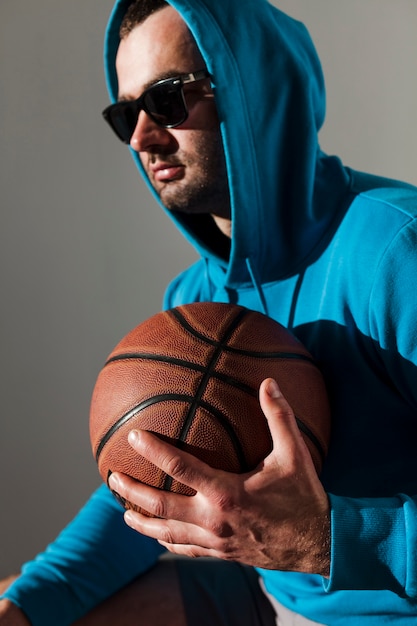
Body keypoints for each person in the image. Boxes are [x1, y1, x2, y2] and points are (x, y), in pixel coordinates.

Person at [2, 0, 417, 624]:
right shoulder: (193, 301)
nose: (141, 135)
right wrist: (28, 604)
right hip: (272, 598)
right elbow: (142, 495)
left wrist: (329, 537)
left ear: (253, 90)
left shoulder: (394, 252)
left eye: (167, 99)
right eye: (126, 113)